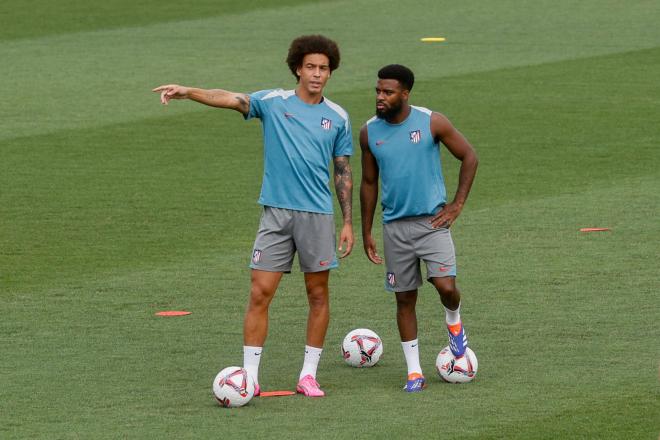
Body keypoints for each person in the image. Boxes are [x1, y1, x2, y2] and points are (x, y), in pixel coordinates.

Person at [153, 35, 354, 397]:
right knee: (260, 292)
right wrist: (188, 91)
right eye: (310, 67)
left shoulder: (338, 117)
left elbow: (342, 171)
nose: (317, 74)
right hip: (276, 215)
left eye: (323, 69)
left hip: (317, 218)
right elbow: (230, 98)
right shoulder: (273, 103)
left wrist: (349, 222)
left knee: (318, 294)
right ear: (297, 68)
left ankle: (308, 375)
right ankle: (249, 376)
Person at [359, 64, 478, 392]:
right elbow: (369, 182)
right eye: (378, 91)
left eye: (388, 92)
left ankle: (454, 322)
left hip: (432, 223)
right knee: (404, 299)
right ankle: (414, 372)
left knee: (445, 287)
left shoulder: (431, 121)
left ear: (405, 94)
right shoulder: (369, 132)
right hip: (394, 228)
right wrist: (366, 230)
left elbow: (469, 156)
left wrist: (456, 205)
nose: (380, 97)